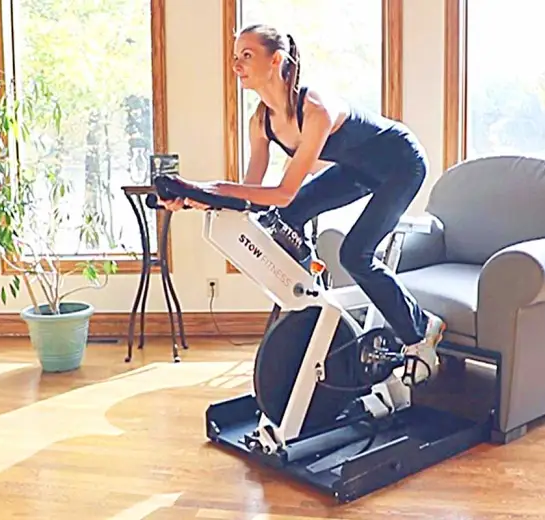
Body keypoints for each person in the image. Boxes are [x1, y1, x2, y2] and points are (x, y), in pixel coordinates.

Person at [159, 24, 445, 386]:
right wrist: (194, 200)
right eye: (234, 57)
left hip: (402, 163)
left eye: (246, 55)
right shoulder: (261, 121)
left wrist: (205, 188)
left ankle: (421, 329)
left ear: (276, 60)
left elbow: (284, 192)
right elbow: (250, 196)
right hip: (358, 169)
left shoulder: (315, 109)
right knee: (284, 219)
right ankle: (313, 286)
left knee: (355, 254)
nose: (236, 65)